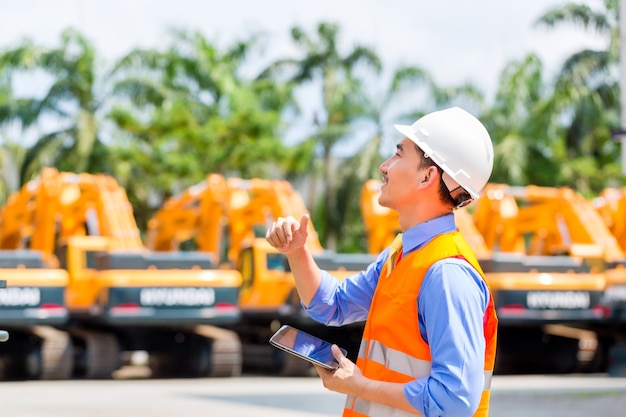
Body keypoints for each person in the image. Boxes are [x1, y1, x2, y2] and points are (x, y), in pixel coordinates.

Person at [265, 107, 498, 417]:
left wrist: (359, 385)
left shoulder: (447, 273)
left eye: (398, 155)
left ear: (428, 176)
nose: (384, 166)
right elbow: (332, 304)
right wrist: (297, 252)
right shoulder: (400, 254)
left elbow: (454, 400)